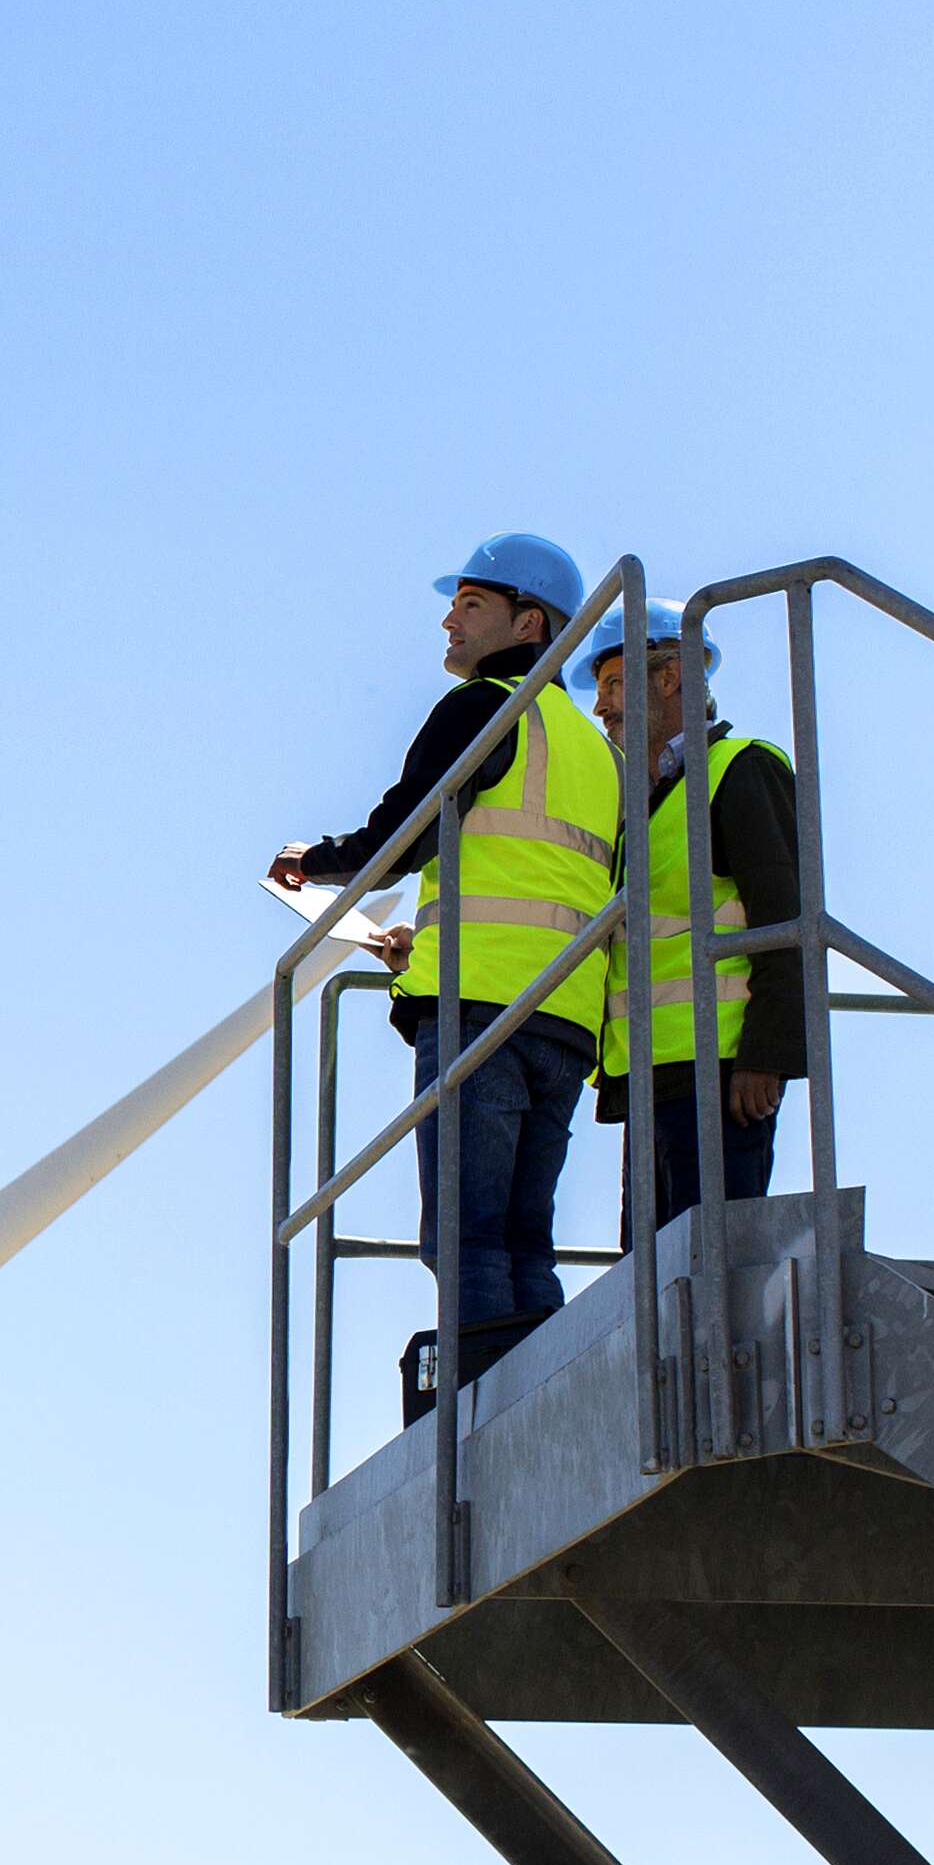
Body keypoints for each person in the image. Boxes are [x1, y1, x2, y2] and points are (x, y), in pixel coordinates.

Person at [269, 532, 619, 1408]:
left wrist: (316, 861)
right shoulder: (593, 748)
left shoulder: (491, 707)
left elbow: (403, 834)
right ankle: (555, 1399)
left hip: (480, 1014)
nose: (449, 619)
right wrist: (413, 946)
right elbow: (544, 880)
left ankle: (492, 1422)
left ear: (526, 622)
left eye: (471, 604)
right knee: (525, 1240)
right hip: (566, 1016)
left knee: (465, 1239)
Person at [585, 602, 807, 1229]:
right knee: (651, 1286)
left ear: (669, 676)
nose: (601, 706)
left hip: (723, 1075)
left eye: (611, 683)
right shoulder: (644, 807)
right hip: (648, 1076)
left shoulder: (740, 769)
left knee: (710, 1274)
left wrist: (767, 1055)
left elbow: (788, 920)